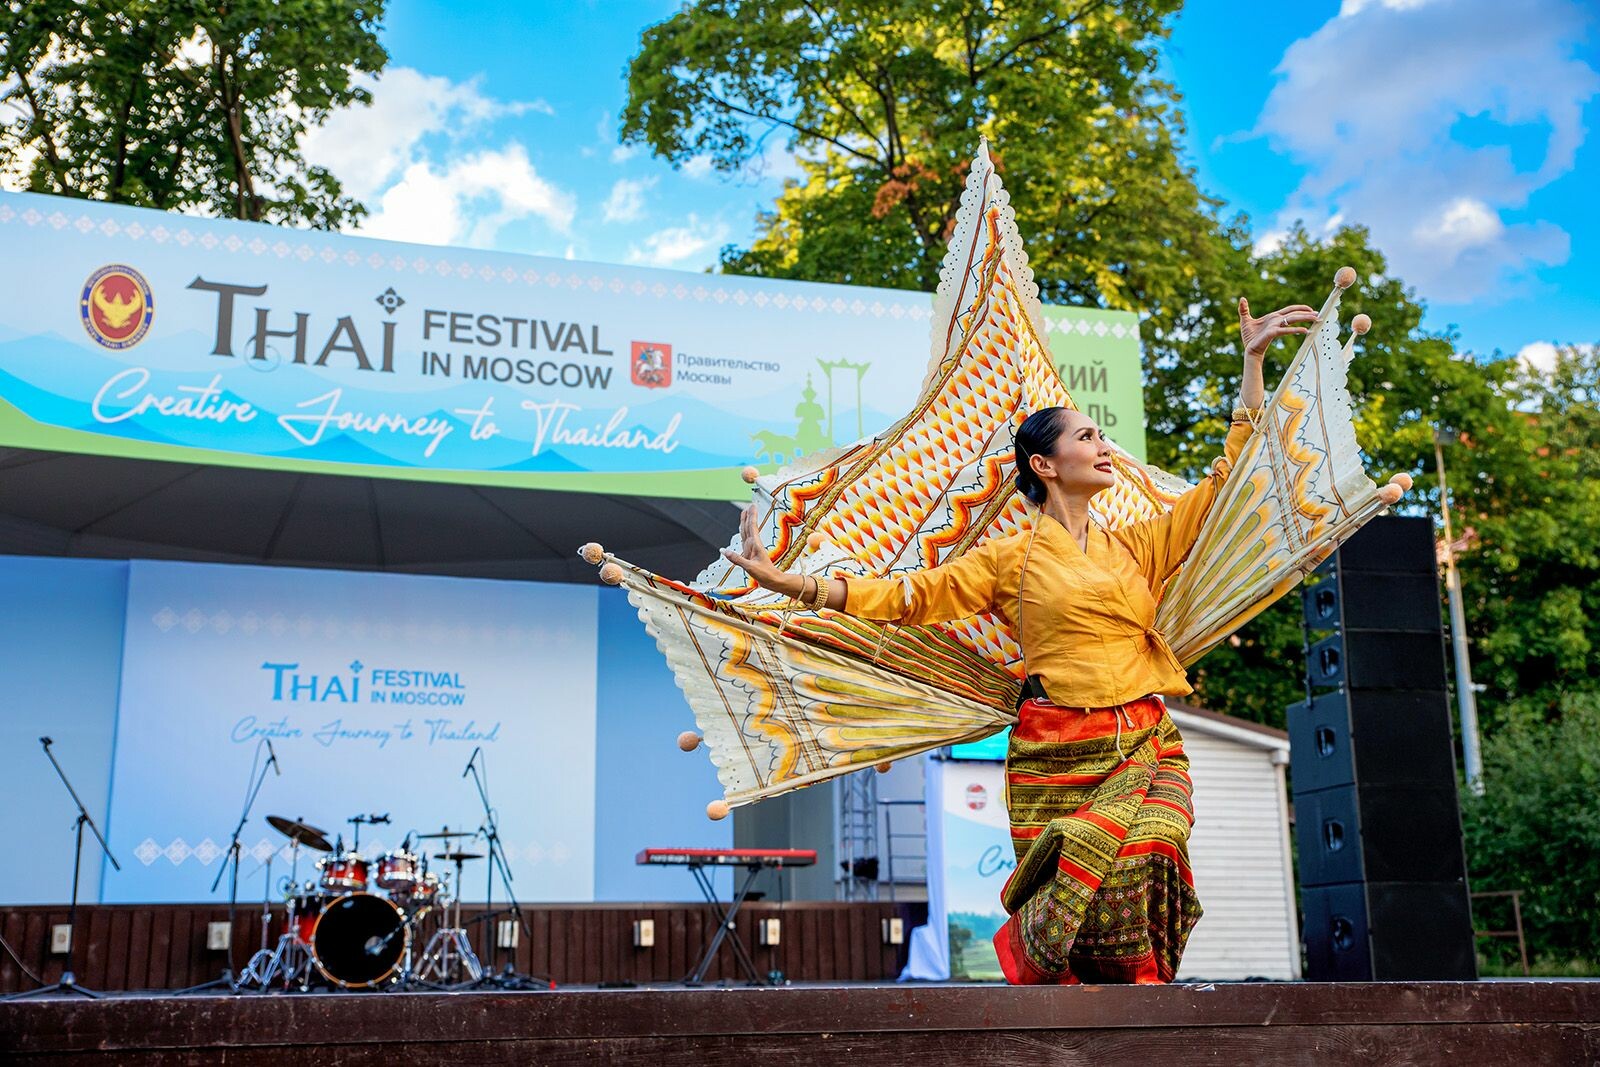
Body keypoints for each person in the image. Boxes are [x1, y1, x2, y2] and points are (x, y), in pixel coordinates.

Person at [723, 298, 1406, 985]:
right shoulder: (1008, 560)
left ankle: (1143, 992)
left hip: (1146, 737)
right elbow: (908, 597)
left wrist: (1252, 364)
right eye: (1085, 437)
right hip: (1057, 749)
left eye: (1100, 435)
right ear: (1044, 465)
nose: (1103, 446)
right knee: (1075, 894)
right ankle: (1087, 1004)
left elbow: (1226, 484)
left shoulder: (1137, 547)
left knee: (1154, 842)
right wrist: (792, 583)